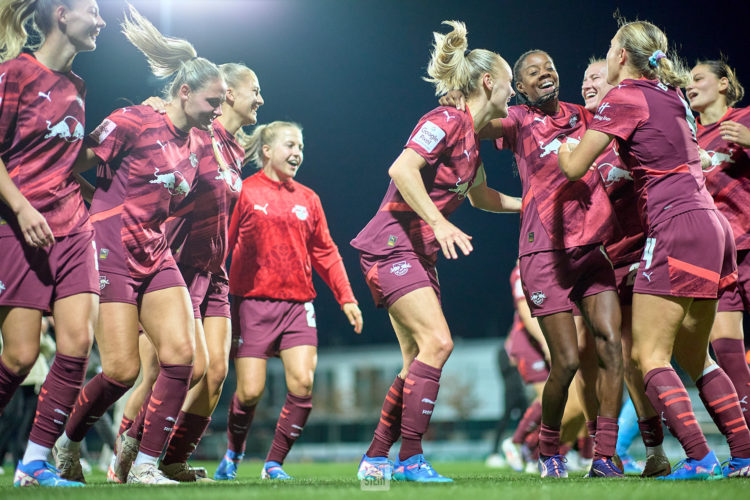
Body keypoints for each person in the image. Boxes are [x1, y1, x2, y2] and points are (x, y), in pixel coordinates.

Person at [558, 19, 750, 479]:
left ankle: (700, 458)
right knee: (696, 355)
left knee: (647, 356)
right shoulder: (673, 96)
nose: (604, 57)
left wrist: (564, 145)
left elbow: (573, 167)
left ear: (622, 56)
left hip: (676, 227)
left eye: (608, 48)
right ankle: (743, 455)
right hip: (713, 226)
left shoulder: (624, 97)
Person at [51, 5, 226, 485]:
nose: (217, 112)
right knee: (122, 371)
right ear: (185, 91)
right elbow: (69, 166)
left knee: (181, 358)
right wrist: (96, 210)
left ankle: (145, 464)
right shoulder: (131, 121)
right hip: (111, 250)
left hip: (155, 252)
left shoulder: (195, 144)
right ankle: (67, 443)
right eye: (213, 101)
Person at [444, 48, 625, 478]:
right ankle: (548, 452)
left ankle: (605, 454)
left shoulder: (585, 116)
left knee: (612, 347)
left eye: (550, 66)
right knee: (564, 362)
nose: (545, 73)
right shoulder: (519, 122)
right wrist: (465, 94)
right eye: (532, 72)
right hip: (543, 253)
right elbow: (474, 123)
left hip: (591, 250)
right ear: (519, 88)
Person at [351, 20, 520, 483]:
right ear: (490, 81)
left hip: (415, 252)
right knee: (439, 344)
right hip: (391, 245)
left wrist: (535, 204)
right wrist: (439, 222)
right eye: (509, 83)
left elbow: (483, 197)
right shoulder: (444, 120)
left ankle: (375, 457)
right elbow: (402, 169)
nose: (514, 93)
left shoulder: (471, 140)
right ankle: (410, 459)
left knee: (417, 360)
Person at [110, 62, 264, 483]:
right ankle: (127, 455)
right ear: (228, 93)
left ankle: (172, 459)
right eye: (255, 89)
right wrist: (156, 108)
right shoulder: (198, 130)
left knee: (215, 373)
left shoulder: (232, 148)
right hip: (176, 263)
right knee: (165, 370)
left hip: (215, 271)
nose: (261, 98)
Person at [214, 120, 363, 481]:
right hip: (251, 304)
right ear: (266, 150)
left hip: (298, 306)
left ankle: (274, 463)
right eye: (290, 145)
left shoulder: (308, 198)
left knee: (303, 384)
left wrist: (347, 297)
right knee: (249, 392)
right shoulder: (244, 192)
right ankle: (233, 453)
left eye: (300, 146)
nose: (297, 153)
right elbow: (223, 246)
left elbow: (326, 252)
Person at [0, 0, 105, 487]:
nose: (101, 21)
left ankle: (34, 463)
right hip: (19, 228)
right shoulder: (13, 74)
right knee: (20, 358)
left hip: (72, 227)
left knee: (77, 343)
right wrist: (22, 209)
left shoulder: (79, 87)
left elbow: (64, 159)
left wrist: (114, 140)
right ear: (62, 14)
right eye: (94, 10)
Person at [579, 58, 669, 477]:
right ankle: (604, 449)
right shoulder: (583, 139)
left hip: (642, 256)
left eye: (596, 77)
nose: (587, 85)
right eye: (583, 81)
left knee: (638, 359)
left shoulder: (633, 128)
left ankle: (661, 450)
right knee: (589, 359)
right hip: (600, 264)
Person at [686, 59, 750, 427]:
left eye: (699, 79)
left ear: (724, 83)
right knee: (726, 351)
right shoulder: (688, 137)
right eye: (687, 82)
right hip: (716, 256)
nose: (690, 86)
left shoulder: (745, 120)